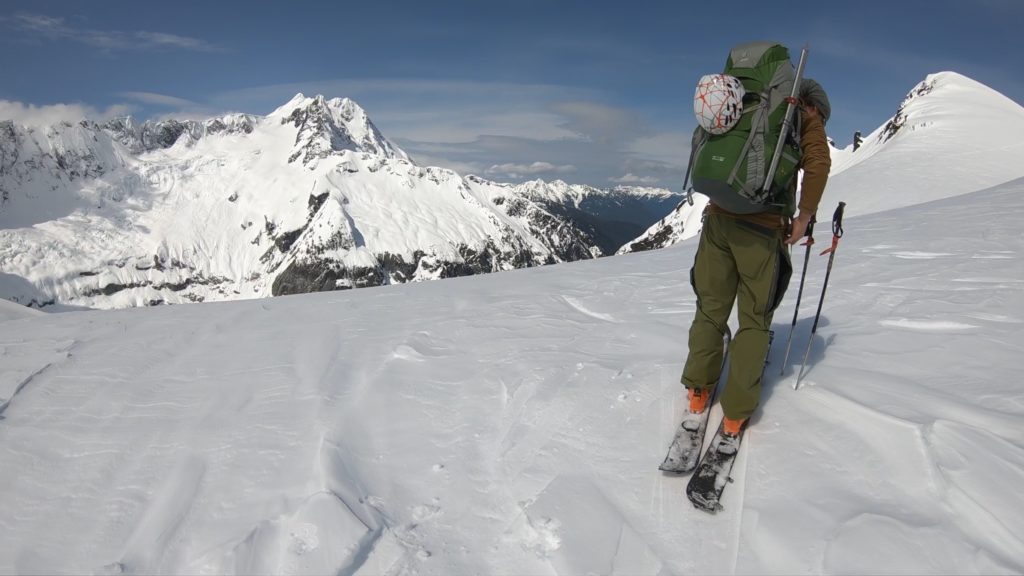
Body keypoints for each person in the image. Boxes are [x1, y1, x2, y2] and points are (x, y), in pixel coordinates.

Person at [681, 78, 832, 438]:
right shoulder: (803, 118)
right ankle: (735, 413)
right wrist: (804, 217)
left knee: (710, 308)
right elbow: (818, 165)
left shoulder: (746, 104)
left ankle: (699, 392)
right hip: (761, 232)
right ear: (814, 105)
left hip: (718, 221)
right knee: (754, 319)